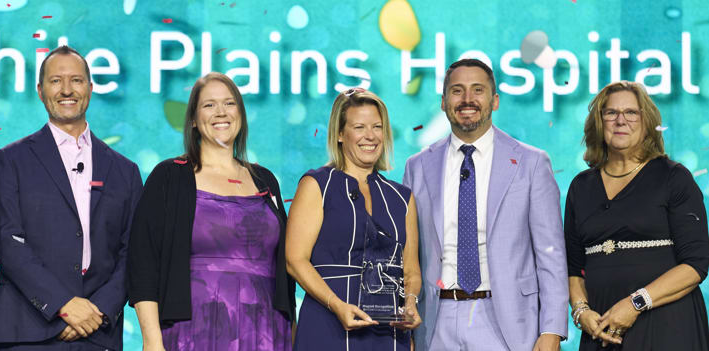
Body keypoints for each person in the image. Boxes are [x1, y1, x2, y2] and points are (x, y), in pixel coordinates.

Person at [0, 45, 142, 351]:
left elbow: (133, 252)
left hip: (98, 333)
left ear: (91, 88)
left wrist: (97, 312)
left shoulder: (125, 171)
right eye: (56, 81)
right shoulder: (10, 160)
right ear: (41, 91)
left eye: (76, 80)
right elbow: (6, 240)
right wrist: (63, 306)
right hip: (27, 332)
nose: (66, 90)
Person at [403, 58, 568, 351]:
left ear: (495, 101)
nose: (468, 99)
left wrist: (552, 329)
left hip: (509, 322)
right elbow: (408, 253)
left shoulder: (531, 163)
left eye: (477, 90)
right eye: (457, 91)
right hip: (435, 322)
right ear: (443, 102)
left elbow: (551, 254)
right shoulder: (418, 166)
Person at [127, 72, 295, 351]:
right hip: (192, 330)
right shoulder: (169, 177)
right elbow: (142, 263)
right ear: (193, 119)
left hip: (266, 329)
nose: (221, 112)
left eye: (229, 104)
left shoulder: (266, 180)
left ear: (240, 114)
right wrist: (151, 339)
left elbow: (284, 270)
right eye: (209, 105)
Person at [565, 81, 709, 350]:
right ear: (599, 122)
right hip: (602, 330)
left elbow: (696, 265)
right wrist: (581, 311)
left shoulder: (674, 177)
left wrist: (635, 303)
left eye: (631, 113)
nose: (621, 120)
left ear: (647, 122)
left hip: (667, 325)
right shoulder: (580, 187)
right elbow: (573, 268)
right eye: (611, 113)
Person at [287, 87, 422, 350]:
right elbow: (294, 260)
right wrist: (336, 305)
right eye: (359, 127)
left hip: (387, 334)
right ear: (340, 134)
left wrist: (411, 303)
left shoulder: (402, 197)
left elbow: (411, 271)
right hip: (327, 326)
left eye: (377, 127)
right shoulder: (317, 184)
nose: (370, 136)